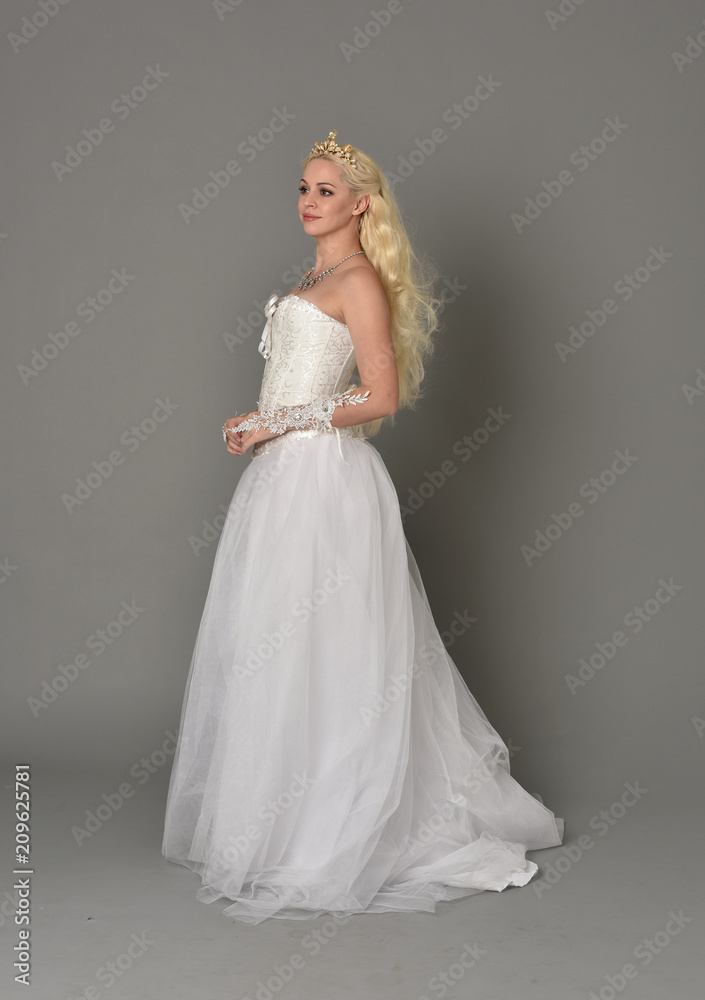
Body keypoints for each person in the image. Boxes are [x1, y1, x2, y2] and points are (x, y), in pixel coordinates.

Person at [161, 129, 564, 924]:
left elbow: (379, 399)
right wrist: (262, 424)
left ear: (360, 204)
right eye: (302, 188)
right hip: (283, 477)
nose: (308, 201)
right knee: (274, 641)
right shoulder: (318, 276)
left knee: (331, 644)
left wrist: (279, 423)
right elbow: (301, 386)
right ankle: (277, 826)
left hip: (323, 480)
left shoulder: (361, 284)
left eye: (323, 190)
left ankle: (333, 826)